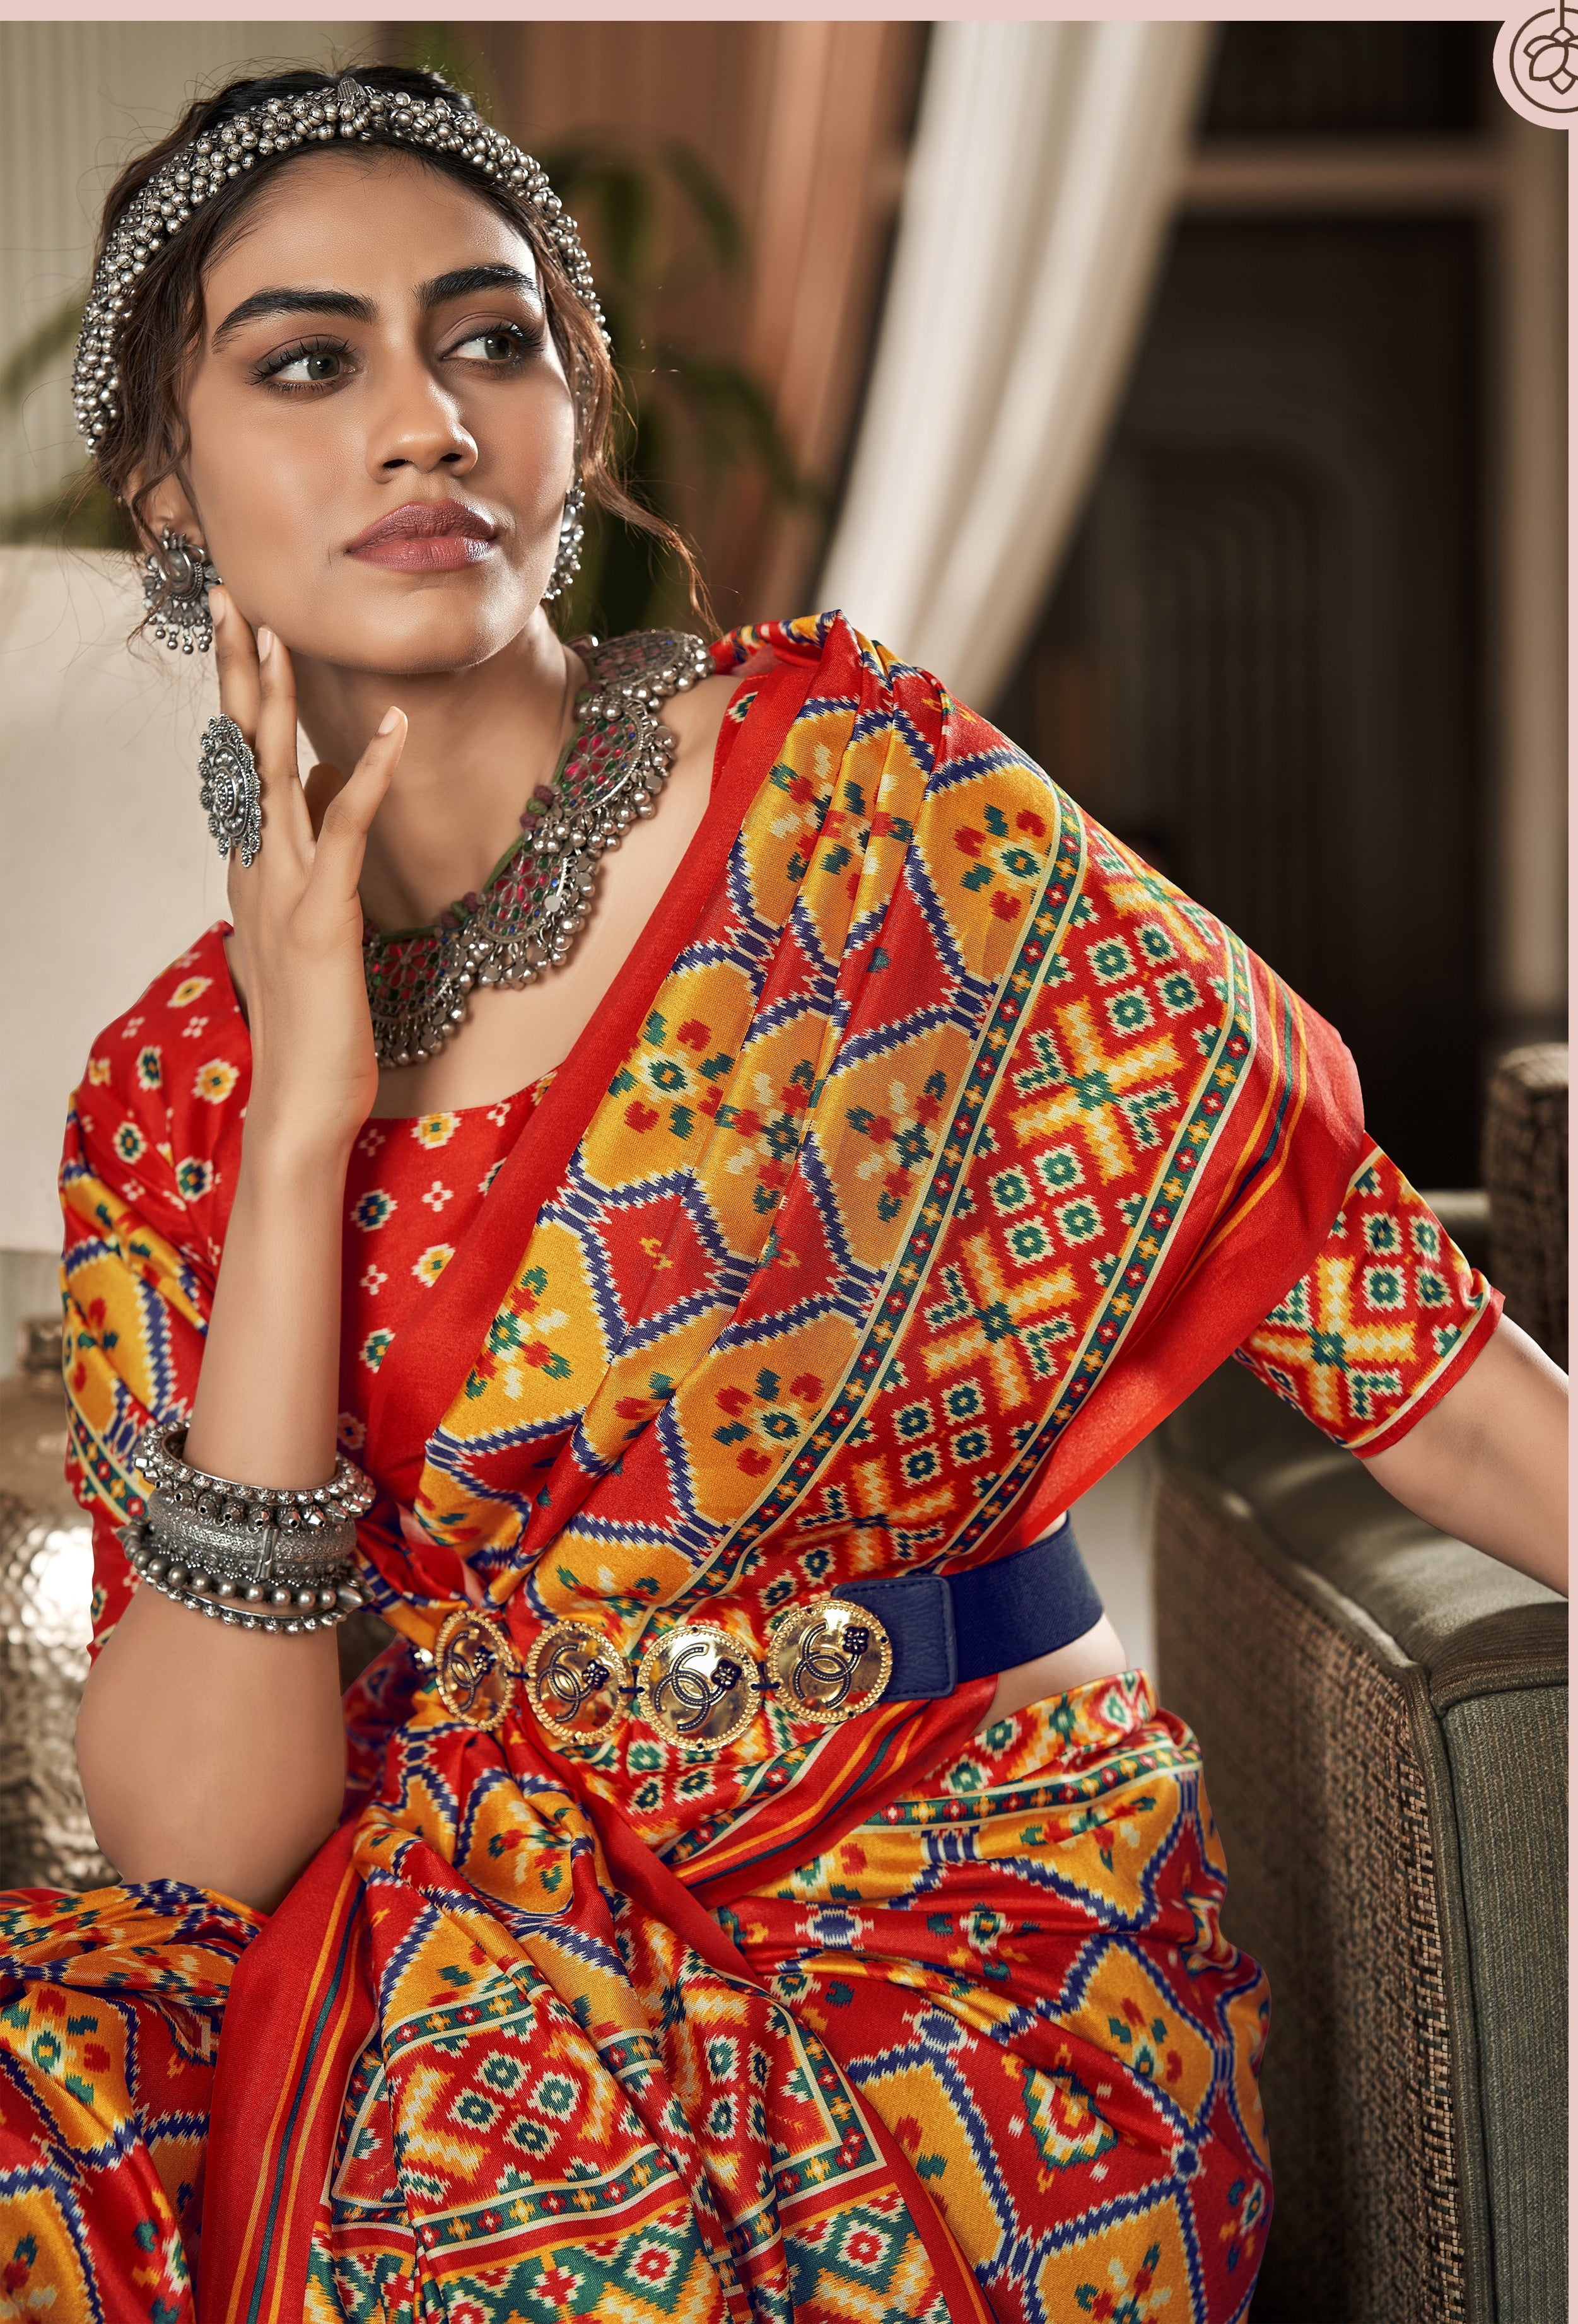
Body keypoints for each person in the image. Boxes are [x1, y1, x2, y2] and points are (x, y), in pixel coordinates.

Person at [0, 61, 1564, 2324]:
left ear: (575, 419)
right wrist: (302, 1125)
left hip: (946, 1941)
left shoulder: (863, 812)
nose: (424, 421)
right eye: (309, 363)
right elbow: (203, 1847)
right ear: (166, 480)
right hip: (427, 1944)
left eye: (491, 337)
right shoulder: (175, 1089)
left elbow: (1394, 1336)